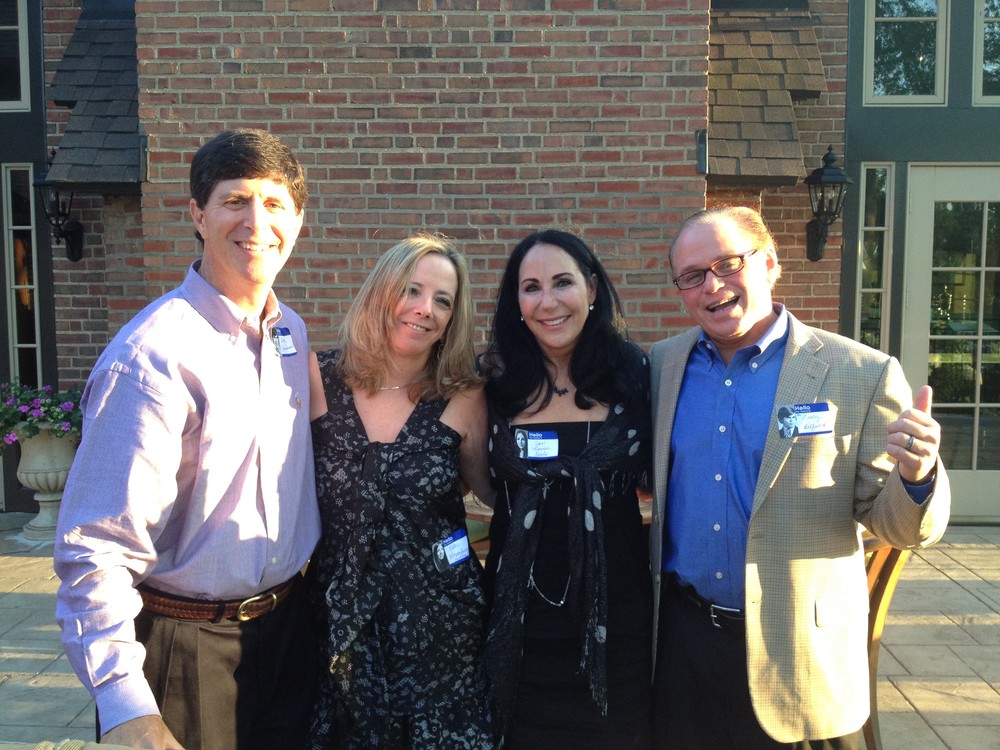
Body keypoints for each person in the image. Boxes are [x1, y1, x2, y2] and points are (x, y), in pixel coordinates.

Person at [54, 129, 321, 750]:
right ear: (197, 214)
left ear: (298, 222)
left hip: (289, 636)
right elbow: (96, 548)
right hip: (185, 651)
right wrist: (125, 706)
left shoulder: (290, 333)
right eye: (235, 201)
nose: (257, 223)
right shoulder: (152, 358)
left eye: (275, 204)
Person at [649, 206, 951, 749]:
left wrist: (917, 475)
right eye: (691, 276)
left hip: (799, 657)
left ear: (769, 263)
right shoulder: (661, 366)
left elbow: (898, 528)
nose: (712, 285)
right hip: (683, 649)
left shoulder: (861, 372)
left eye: (728, 264)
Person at [306, 234, 495, 749]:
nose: (424, 309)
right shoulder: (318, 378)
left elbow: (495, 494)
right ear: (381, 291)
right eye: (412, 290)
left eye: (442, 300)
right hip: (337, 622)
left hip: (440, 631)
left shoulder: (464, 396)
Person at [479, 229, 653, 749]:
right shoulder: (491, 381)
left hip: (615, 612)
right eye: (530, 288)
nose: (548, 302)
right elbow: (478, 480)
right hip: (519, 616)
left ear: (592, 289)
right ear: (516, 302)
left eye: (562, 283)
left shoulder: (636, 374)